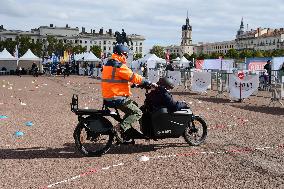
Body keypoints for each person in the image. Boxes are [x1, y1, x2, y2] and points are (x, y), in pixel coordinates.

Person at [101, 44, 154, 141]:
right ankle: (120, 128)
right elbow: (133, 77)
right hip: (117, 97)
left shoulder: (108, 64)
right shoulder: (119, 66)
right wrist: (147, 82)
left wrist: (132, 85)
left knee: (133, 105)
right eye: (126, 55)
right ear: (122, 54)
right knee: (138, 112)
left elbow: (116, 80)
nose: (126, 57)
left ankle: (126, 132)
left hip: (109, 95)